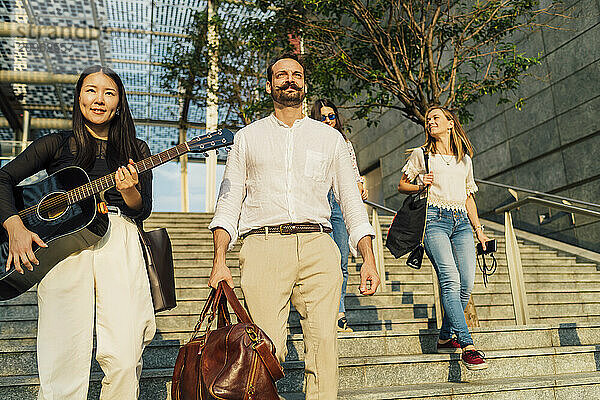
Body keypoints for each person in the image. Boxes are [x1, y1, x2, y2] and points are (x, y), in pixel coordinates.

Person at [208, 54, 380, 399]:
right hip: (263, 246)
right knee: (266, 350)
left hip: (318, 245)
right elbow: (228, 202)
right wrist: (219, 259)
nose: (290, 79)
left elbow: (350, 201)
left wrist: (368, 257)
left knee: (324, 349)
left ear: (304, 84)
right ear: (269, 84)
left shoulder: (331, 140)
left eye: (297, 74)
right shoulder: (246, 138)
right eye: (281, 74)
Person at [0, 65, 156, 399]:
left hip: (120, 239)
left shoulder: (136, 149)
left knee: (127, 355)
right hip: (63, 246)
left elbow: (142, 209)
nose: (99, 99)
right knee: (63, 353)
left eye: (109, 92)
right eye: (91, 90)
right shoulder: (56, 143)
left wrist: (129, 190)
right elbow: (3, 178)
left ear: (119, 103)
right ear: (79, 97)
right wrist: (14, 226)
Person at [397, 106, 490, 370]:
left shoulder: (465, 160)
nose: (430, 122)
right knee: (450, 279)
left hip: (461, 222)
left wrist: (479, 230)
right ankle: (467, 344)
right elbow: (402, 185)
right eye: (428, 119)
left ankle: (445, 337)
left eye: (436, 118)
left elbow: (468, 196)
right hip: (434, 220)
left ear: (450, 123)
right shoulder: (422, 154)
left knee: (466, 284)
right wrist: (420, 184)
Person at [310, 99, 368, 332]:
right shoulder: (310, 142)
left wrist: (360, 184)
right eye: (322, 117)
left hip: (339, 204)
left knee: (341, 262)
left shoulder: (345, 143)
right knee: (322, 263)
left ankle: (339, 313)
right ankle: (320, 312)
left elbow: (353, 171)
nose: (327, 120)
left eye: (331, 116)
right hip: (318, 204)